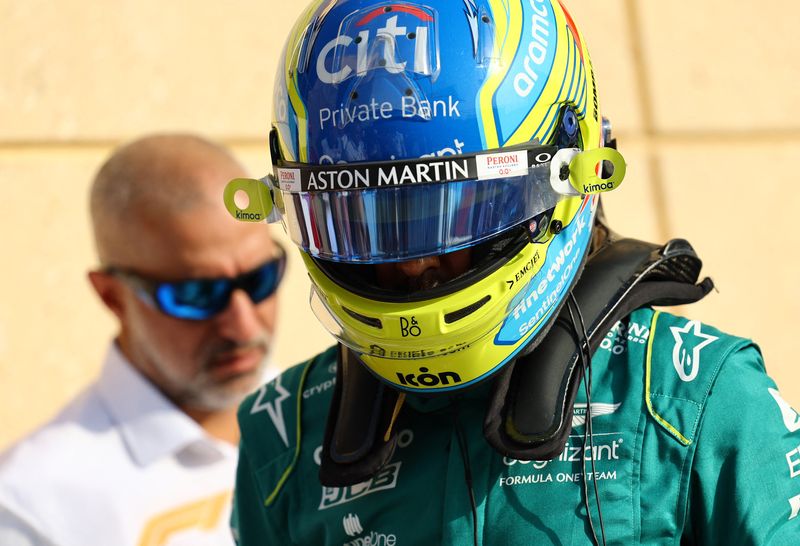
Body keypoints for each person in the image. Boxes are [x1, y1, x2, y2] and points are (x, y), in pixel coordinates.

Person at [228, 1, 799, 544]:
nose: (415, 264)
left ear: (575, 173)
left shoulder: (699, 396)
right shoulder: (282, 433)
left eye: (460, 213)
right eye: (360, 224)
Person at [0, 134, 285, 546]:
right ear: (112, 296)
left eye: (260, 279)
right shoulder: (31, 505)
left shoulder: (336, 413)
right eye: (197, 295)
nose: (243, 325)